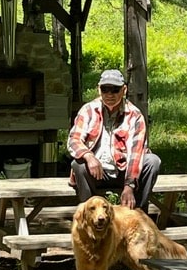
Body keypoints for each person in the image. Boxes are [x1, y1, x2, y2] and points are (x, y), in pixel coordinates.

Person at [66, 69, 161, 211]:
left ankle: (138, 212)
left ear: (124, 90)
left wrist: (129, 186)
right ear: (99, 90)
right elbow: (74, 140)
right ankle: (90, 213)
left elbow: (136, 154)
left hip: (124, 171)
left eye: (115, 90)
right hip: (96, 172)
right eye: (105, 89)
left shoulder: (135, 115)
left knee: (152, 161)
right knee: (78, 164)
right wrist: (89, 156)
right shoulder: (88, 110)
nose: (109, 94)